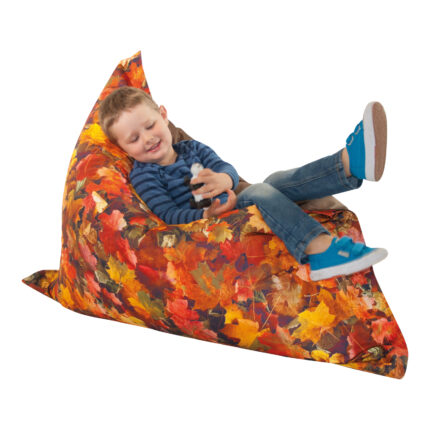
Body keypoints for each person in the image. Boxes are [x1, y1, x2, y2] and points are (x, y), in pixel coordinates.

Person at [98, 86, 388, 281]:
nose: (148, 138)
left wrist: (224, 178)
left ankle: (349, 164)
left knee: (273, 181)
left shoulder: (190, 147)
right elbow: (168, 215)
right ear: (123, 149)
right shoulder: (145, 175)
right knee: (261, 190)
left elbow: (227, 169)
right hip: (208, 229)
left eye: (150, 125)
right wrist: (206, 214)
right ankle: (320, 248)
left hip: (233, 203)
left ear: (163, 115)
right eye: (134, 139)